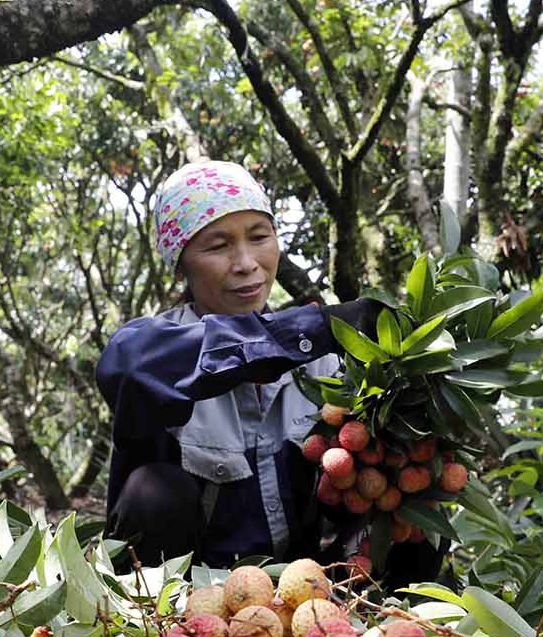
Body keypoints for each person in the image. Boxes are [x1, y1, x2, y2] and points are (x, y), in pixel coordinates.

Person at [96, 160, 385, 568]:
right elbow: (128, 366)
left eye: (259, 237)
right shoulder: (149, 349)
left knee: (410, 501)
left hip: (299, 585)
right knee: (154, 490)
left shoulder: (322, 364)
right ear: (181, 263)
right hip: (185, 591)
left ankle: (401, 607)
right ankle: (150, 615)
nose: (246, 262)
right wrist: (320, 326)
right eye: (218, 246)